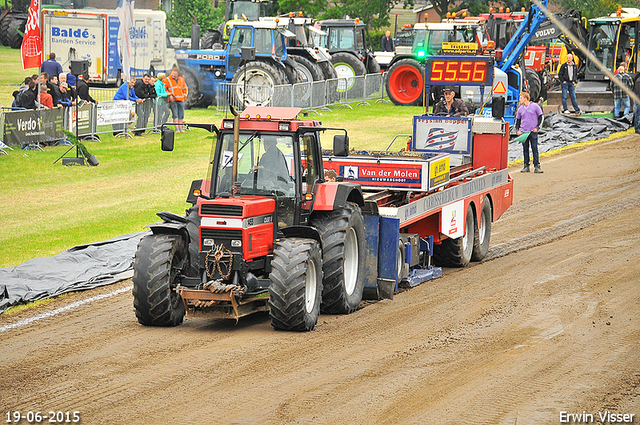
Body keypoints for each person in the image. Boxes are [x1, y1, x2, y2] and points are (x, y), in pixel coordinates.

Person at [515, 92, 544, 174]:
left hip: (533, 132)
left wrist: (537, 127)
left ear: (525, 98)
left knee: (534, 148)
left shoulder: (535, 106)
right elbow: (517, 120)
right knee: (525, 149)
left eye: (521, 98)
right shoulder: (520, 109)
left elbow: (541, 117)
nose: (520, 100)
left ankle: (537, 166)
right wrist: (517, 130)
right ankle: (526, 166)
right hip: (524, 132)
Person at [164, 67, 188, 132]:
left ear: (178, 74)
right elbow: (165, 89)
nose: (173, 75)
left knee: (181, 115)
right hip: (173, 100)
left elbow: (185, 89)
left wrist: (184, 96)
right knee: (175, 114)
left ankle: (181, 129)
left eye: (174, 74)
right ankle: (177, 129)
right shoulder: (167, 80)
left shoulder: (181, 79)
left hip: (181, 100)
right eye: (172, 73)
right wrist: (169, 95)